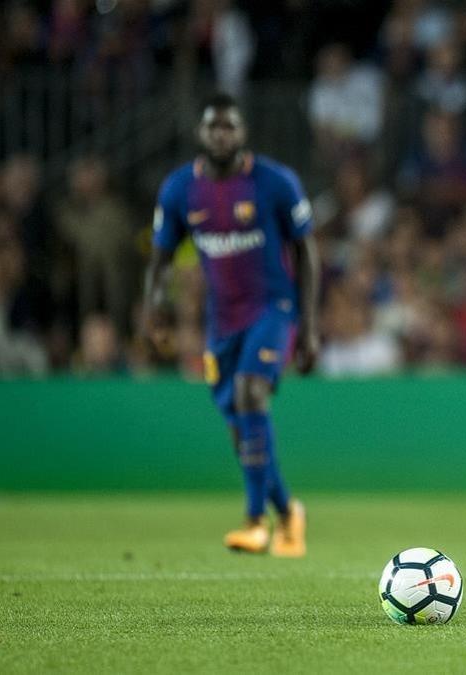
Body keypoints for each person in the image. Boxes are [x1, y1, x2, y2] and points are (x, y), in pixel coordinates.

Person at [142, 93, 319, 558]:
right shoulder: (180, 189)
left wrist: (311, 327)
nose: (221, 135)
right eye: (213, 127)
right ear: (201, 133)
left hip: (273, 308)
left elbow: (307, 253)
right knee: (242, 428)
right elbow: (160, 258)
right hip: (222, 321)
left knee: (250, 393)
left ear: (243, 133)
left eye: (230, 127)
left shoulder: (275, 182)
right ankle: (288, 513)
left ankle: (255, 521)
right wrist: (152, 310)